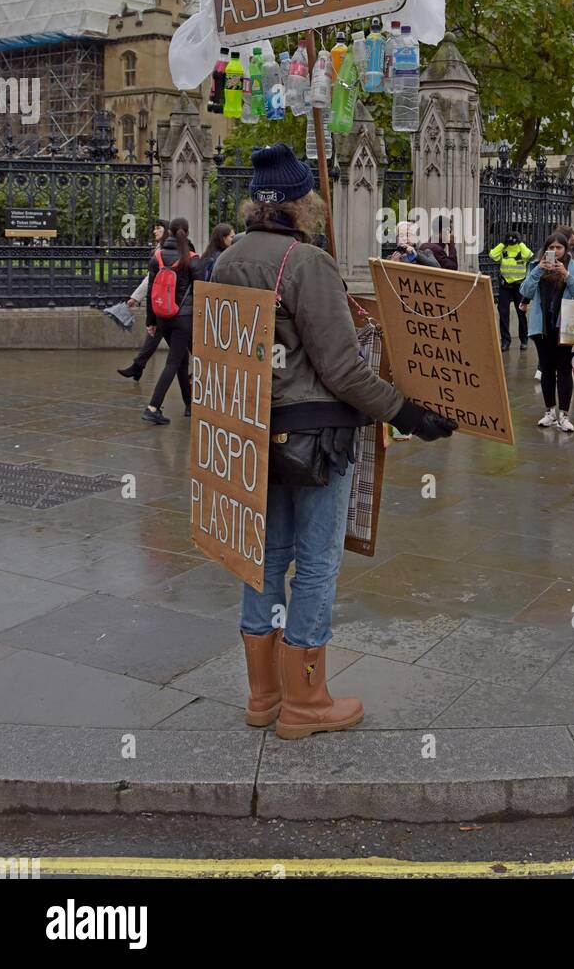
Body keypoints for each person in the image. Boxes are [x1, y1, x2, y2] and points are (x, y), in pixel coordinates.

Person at [213, 143, 455, 740]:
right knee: (316, 564)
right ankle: (306, 700)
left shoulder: (227, 260)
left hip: (246, 430)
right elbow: (343, 370)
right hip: (316, 436)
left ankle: (263, 694)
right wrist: (407, 414)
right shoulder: (307, 262)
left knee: (263, 561)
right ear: (302, 203)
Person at [519, 230, 574, 431]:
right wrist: (538, 270)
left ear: (565, 249)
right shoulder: (535, 266)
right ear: (545, 249)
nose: (555, 251)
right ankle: (549, 411)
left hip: (566, 325)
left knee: (565, 370)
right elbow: (524, 291)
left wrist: (566, 275)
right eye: (551, 248)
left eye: (559, 247)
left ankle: (564, 415)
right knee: (547, 370)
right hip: (542, 328)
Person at [142, 217, 201, 424]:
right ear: (187, 231)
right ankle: (153, 407)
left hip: (162, 317)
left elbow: (151, 291)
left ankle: (189, 404)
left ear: (169, 232)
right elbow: (201, 293)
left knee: (182, 360)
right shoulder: (192, 259)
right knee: (174, 362)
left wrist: (151, 321)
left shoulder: (156, 257)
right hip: (183, 318)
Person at [117, 218, 169, 382]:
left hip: (168, 302)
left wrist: (134, 297)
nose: (154, 231)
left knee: (176, 342)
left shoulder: (164, 251)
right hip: (165, 302)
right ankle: (137, 366)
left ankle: (137, 367)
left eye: (158, 228)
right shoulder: (160, 249)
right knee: (155, 334)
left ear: (166, 230)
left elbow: (151, 280)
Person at [489, 230, 533, 351]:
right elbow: (492, 255)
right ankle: (505, 341)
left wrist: (520, 242)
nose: (512, 241)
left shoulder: (521, 249)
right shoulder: (503, 249)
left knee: (521, 313)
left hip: (519, 286)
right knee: (503, 314)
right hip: (505, 286)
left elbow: (529, 255)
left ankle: (524, 340)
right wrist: (503, 243)